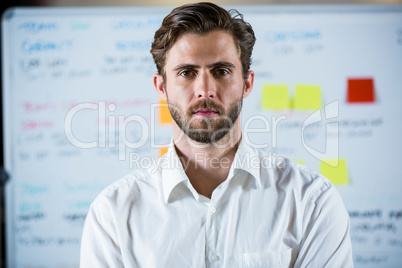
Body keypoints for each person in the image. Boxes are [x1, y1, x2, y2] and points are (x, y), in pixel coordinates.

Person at [80, 2, 353, 267]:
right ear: (161, 87)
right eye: (187, 73)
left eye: (221, 71)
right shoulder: (113, 214)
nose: (205, 90)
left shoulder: (311, 202)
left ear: (247, 83)